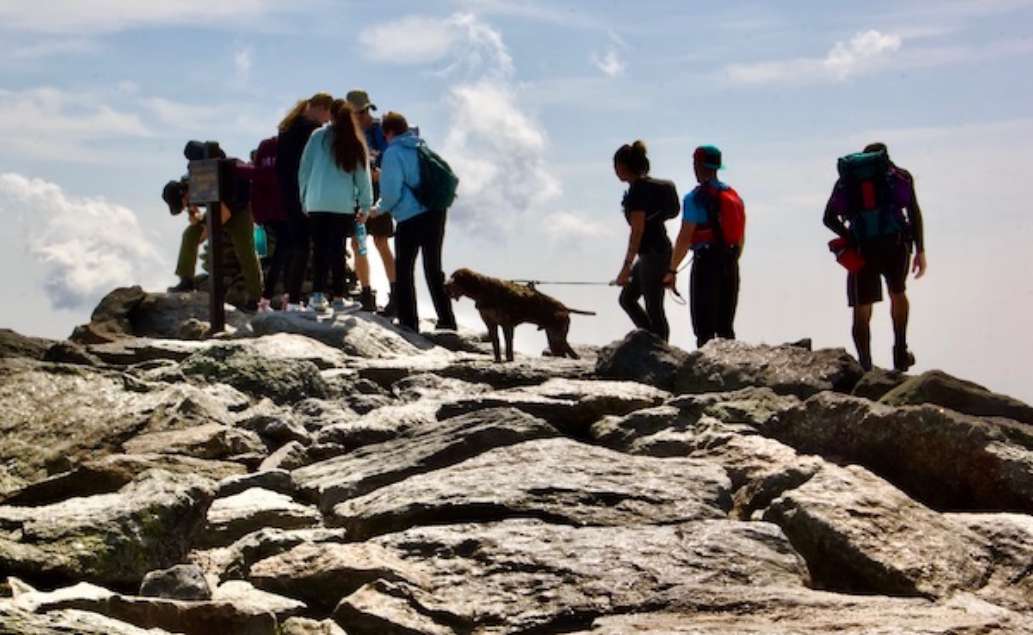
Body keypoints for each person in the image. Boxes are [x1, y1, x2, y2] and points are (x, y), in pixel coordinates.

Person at [824, 142, 927, 372]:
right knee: (898, 294)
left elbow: (828, 218)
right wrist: (920, 250)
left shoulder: (848, 181)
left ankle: (865, 366)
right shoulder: (899, 176)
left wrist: (850, 237)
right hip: (895, 245)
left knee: (862, 307)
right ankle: (900, 354)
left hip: (862, 248)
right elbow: (914, 212)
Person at [377, 111, 457, 332]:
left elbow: (391, 193)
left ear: (388, 132)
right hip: (436, 212)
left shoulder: (393, 153)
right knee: (433, 267)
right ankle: (447, 320)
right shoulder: (421, 147)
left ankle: (409, 322)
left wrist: (377, 209)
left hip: (410, 217)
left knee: (404, 269)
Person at [664, 145, 746, 348]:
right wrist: (731, 259)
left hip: (706, 263)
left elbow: (685, 237)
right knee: (725, 327)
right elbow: (740, 236)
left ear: (698, 165)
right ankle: (730, 364)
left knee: (704, 328)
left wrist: (672, 270)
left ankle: (705, 366)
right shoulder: (734, 197)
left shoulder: (695, 198)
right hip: (731, 261)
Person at [297, 102, 375, 312]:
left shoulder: (318, 136)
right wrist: (365, 206)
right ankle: (339, 299)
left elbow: (304, 169)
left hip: (316, 202)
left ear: (331, 115)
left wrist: (304, 198)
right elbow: (363, 177)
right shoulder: (355, 140)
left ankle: (317, 297)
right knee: (338, 251)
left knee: (319, 250)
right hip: (342, 205)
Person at [163, 161, 264, 311]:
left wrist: (205, 229)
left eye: (182, 203)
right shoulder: (189, 190)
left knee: (245, 251)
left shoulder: (202, 184)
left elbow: (222, 214)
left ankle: (255, 297)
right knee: (190, 234)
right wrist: (193, 215)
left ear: (183, 193)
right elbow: (197, 218)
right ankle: (186, 279)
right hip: (216, 207)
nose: (184, 206)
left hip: (237, 208)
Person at [613, 140, 679, 342]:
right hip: (655, 252)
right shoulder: (646, 187)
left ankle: (660, 348)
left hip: (654, 254)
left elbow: (637, 231)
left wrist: (626, 267)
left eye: (616, 165)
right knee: (627, 299)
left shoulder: (638, 192)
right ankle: (650, 341)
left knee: (653, 306)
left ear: (623, 166)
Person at [276, 92, 334, 311]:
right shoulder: (312, 132)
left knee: (296, 246)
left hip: (287, 194)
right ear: (322, 109)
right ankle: (306, 298)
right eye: (328, 115)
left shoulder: (287, 128)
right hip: (308, 195)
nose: (328, 121)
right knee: (313, 247)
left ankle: (291, 298)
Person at [347, 89, 398, 316]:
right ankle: (366, 294)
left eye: (365, 111)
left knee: (380, 241)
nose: (363, 116)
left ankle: (396, 295)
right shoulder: (349, 133)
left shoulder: (380, 130)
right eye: (359, 113)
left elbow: (392, 157)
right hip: (357, 192)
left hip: (379, 192)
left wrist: (383, 174)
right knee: (357, 243)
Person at [250, 135, 289, 312]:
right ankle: (274, 299)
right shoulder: (290, 145)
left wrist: (257, 213)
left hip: (268, 212)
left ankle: (268, 299)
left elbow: (256, 180)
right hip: (286, 210)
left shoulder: (265, 146)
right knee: (286, 254)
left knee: (281, 254)